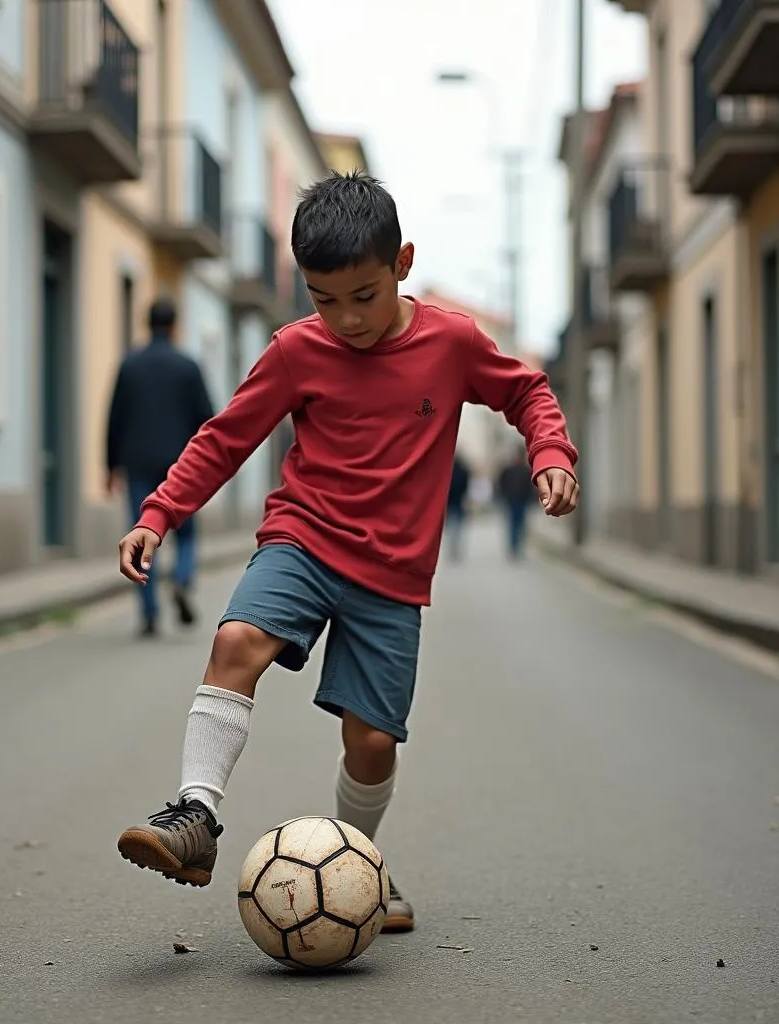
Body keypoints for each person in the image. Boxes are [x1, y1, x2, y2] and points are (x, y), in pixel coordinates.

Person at [115, 171, 580, 934]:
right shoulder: (297, 351)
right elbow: (225, 437)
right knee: (236, 639)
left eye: (362, 296)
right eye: (322, 299)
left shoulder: (451, 341)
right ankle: (194, 819)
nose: (344, 319)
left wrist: (550, 453)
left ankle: (359, 864)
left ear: (402, 263)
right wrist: (159, 512)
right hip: (304, 536)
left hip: (393, 574)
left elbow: (526, 391)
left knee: (370, 742)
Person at [106, 298, 214, 637]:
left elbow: (114, 419)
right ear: (174, 325)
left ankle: (149, 612)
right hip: (178, 465)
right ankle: (181, 580)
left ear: (146, 324)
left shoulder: (129, 365)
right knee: (185, 534)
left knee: (139, 535)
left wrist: (109, 466)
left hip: (136, 461)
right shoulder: (188, 366)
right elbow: (208, 420)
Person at [497, 446, 535, 559]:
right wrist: (504, 496)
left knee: (521, 525)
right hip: (511, 500)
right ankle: (514, 546)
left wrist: (530, 498)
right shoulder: (508, 470)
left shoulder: (526, 470)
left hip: (522, 501)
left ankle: (518, 546)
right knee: (513, 524)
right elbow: (501, 483)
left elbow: (531, 486)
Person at [444, 454, 471, 561]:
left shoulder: (447, 470)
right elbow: (466, 487)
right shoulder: (463, 471)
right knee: (458, 527)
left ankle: (451, 548)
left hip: (449, 502)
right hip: (459, 502)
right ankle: (456, 548)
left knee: (450, 527)